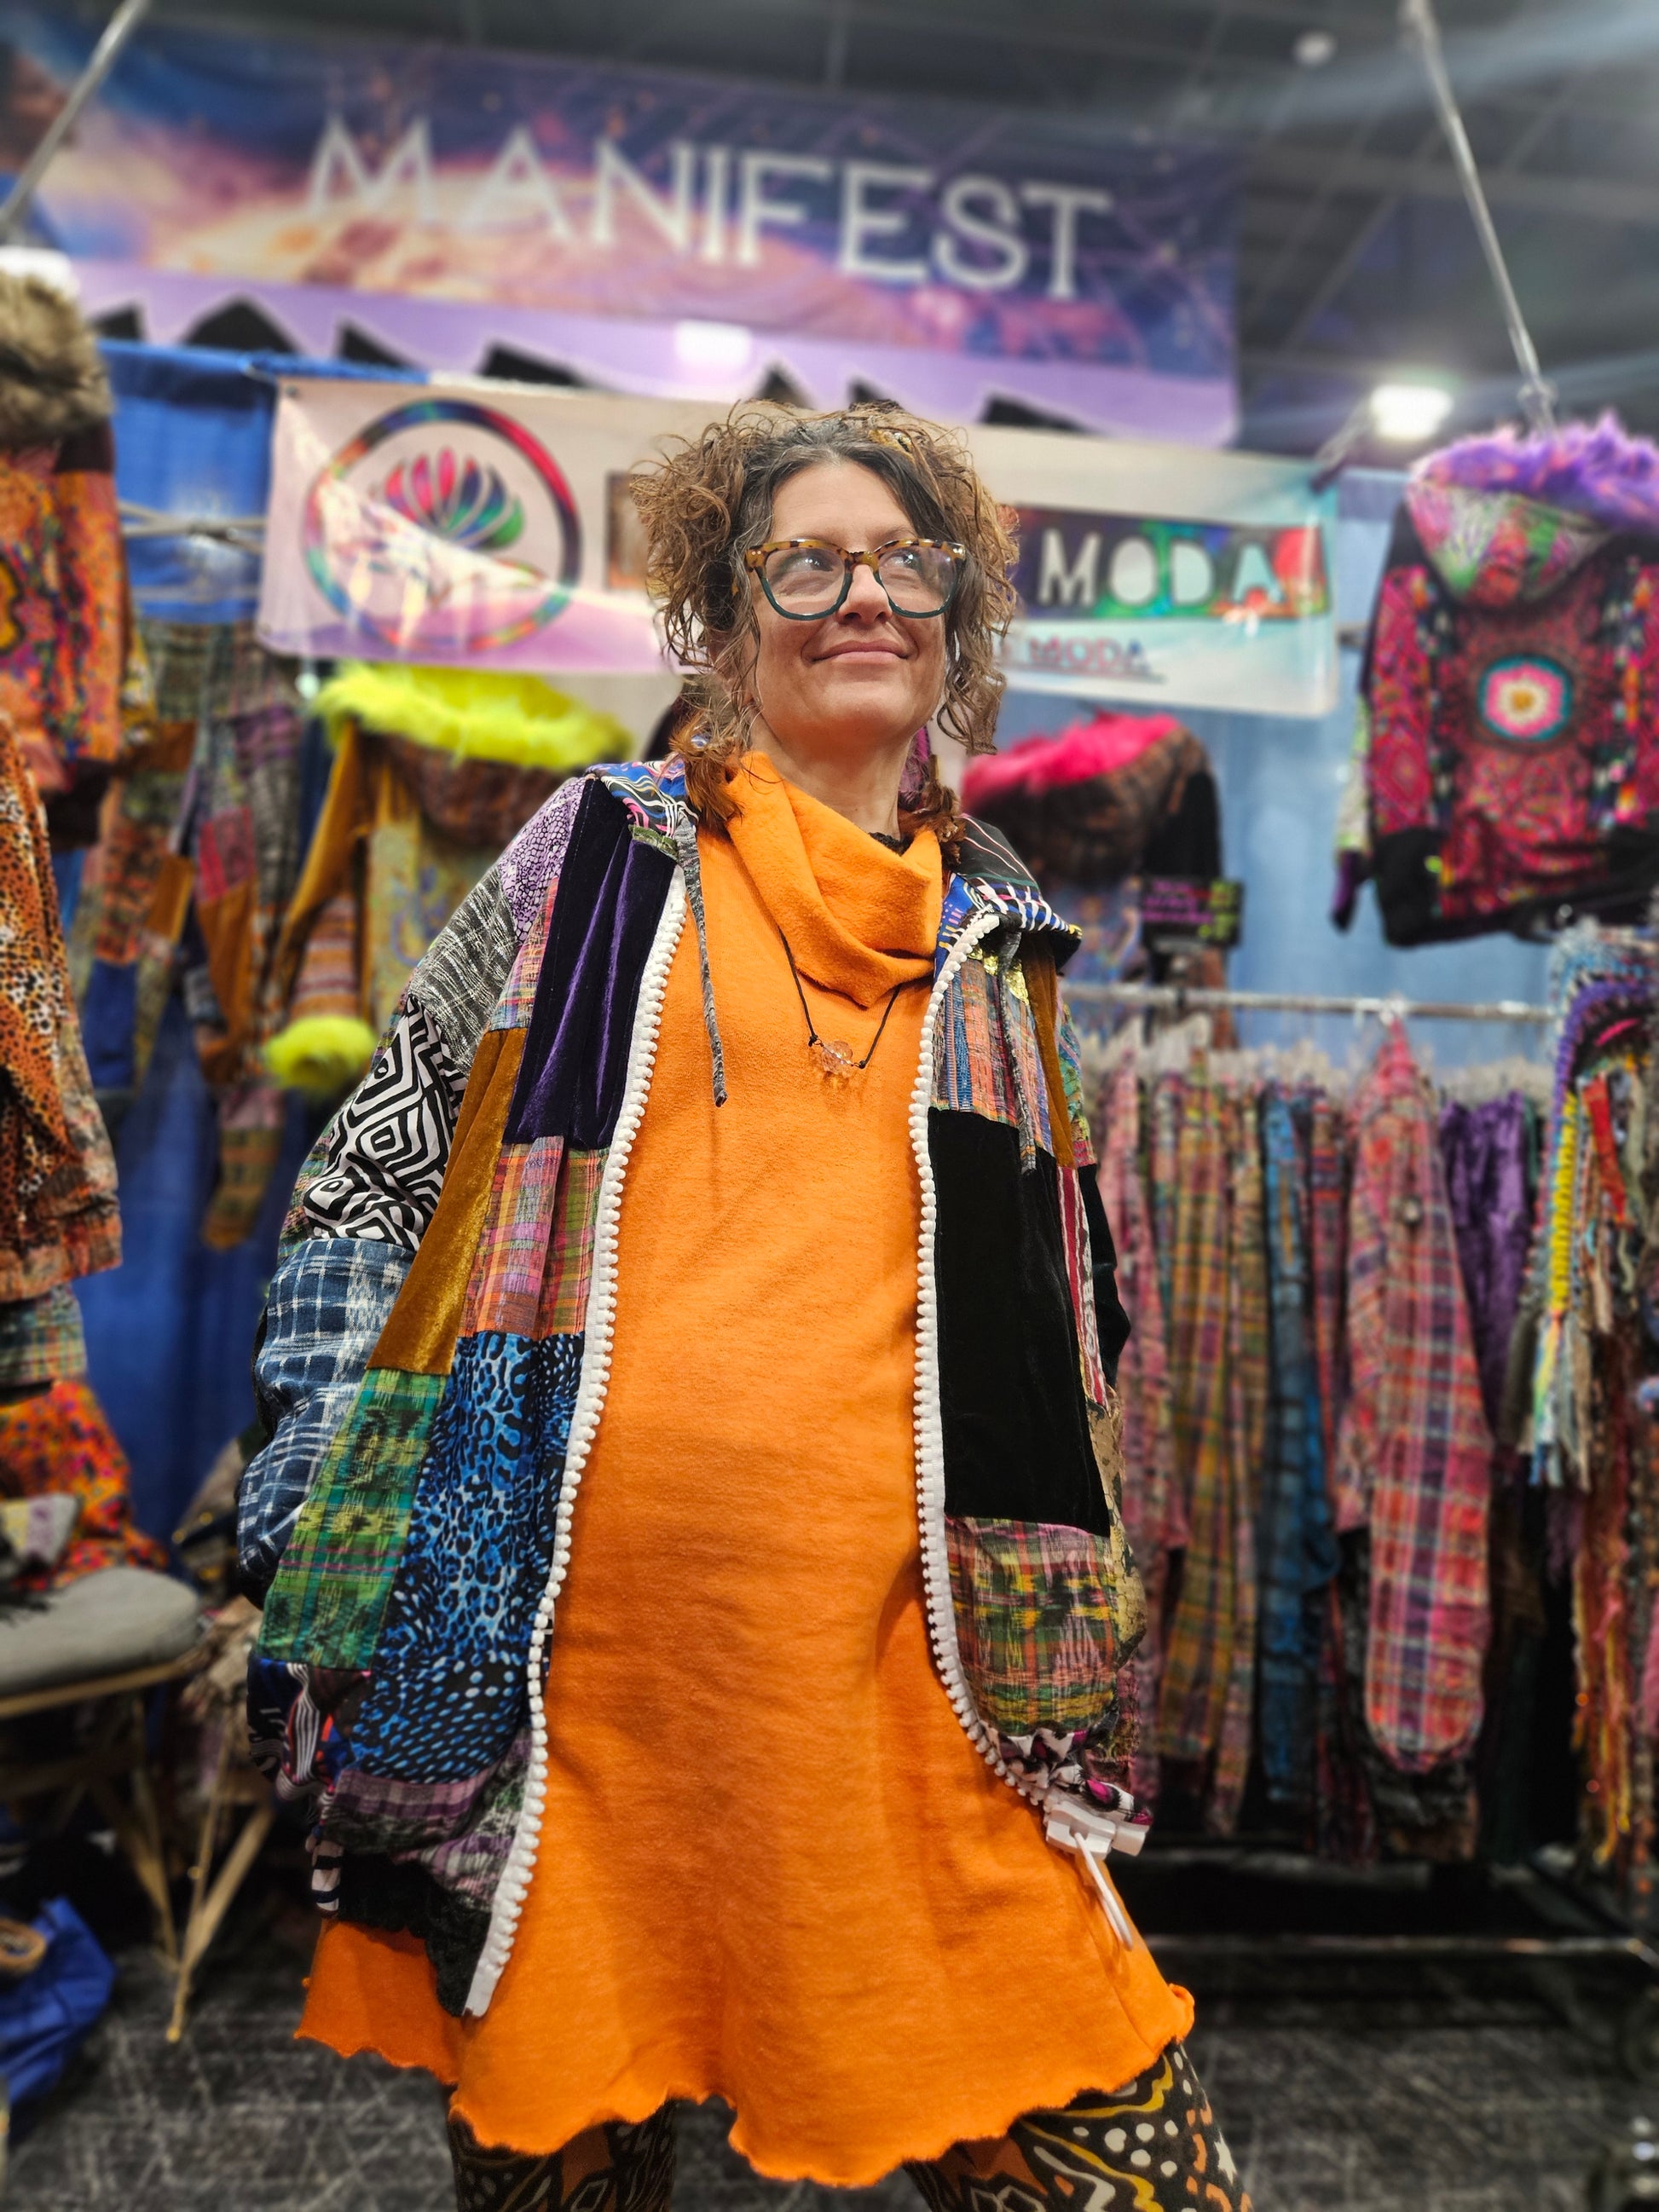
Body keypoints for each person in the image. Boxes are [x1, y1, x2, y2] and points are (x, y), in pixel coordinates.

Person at [240, 403, 1250, 2212]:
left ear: (955, 615)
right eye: (806, 562)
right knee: (565, 2171)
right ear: (721, 617)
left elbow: (1063, 1314)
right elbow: (369, 1177)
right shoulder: (594, 859)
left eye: (906, 563)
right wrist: (314, 1494)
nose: (863, 595)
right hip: (567, 1709)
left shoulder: (1003, 931)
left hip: (924, 1699)